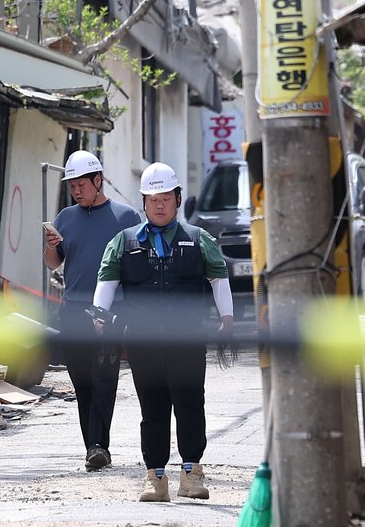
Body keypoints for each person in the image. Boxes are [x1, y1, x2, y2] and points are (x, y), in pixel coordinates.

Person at [92, 162, 233, 502]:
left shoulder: (200, 240)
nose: (159, 204)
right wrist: (99, 318)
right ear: (144, 202)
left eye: (166, 197)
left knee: (189, 405)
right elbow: (107, 282)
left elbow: (219, 279)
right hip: (143, 343)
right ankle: (155, 477)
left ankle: (191, 473)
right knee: (152, 409)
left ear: (178, 199)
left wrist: (226, 319)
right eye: (152, 198)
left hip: (187, 341)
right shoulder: (124, 242)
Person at [43, 150, 142, 471]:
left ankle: (100, 445)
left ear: (99, 181)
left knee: (104, 380)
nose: (76, 191)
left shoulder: (126, 217)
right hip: (72, 311)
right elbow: (53, 263)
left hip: (110, 313)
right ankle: (92, 446)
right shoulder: (65, 218)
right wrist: (50, 245)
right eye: (72, 186)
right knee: (82, 382)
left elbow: (138, 265)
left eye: (81, 184)